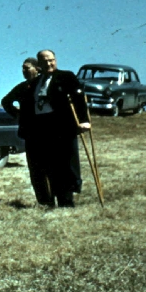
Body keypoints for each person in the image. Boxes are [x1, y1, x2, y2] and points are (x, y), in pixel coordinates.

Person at [28, 49, 90, 207]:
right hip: (42, 125)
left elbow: (79, 97)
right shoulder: (36, 82)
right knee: (49, 164)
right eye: (45, 61)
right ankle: (52, 199)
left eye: (51, 60)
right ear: (39, 64)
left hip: (61, 126)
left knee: (63, 164)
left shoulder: (66, 77)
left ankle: (66, 201)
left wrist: (84, 120)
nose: (49, 63)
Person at [1, 57, 51, 204]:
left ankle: (54, 197)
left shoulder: (44, 85)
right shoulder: (23, 87)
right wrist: (17, 113)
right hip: (30, 133)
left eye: (27, 68)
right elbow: (6, 101)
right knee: (35, 168)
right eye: (22, 68)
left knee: (49, 167)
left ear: (37, 68)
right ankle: (43, 200)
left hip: (47, 132)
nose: (23, 71)